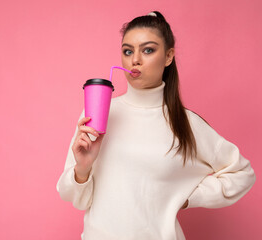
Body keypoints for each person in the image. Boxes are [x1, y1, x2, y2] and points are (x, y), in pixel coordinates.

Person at [56, 11, 256, 240]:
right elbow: (73, 197)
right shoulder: (98, 115)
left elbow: (242, 173)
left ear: (168, 56)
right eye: (128, 51)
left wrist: (189, 197)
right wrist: (83, 169)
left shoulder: (187, 124)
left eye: (148, 50)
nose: (135, 60)